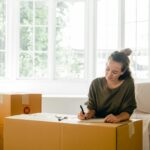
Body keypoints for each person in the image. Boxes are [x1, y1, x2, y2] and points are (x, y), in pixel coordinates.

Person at [78, 48, 137, 123]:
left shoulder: (128, 84)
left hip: (117, 124)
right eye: (107, 69)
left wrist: (117, 118)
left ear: (122, 72)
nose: (109, 75)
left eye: (114, 72)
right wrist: (86, 115)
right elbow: (91, 108)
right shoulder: (95, 83)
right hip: (97, 124)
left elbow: (128, 111)